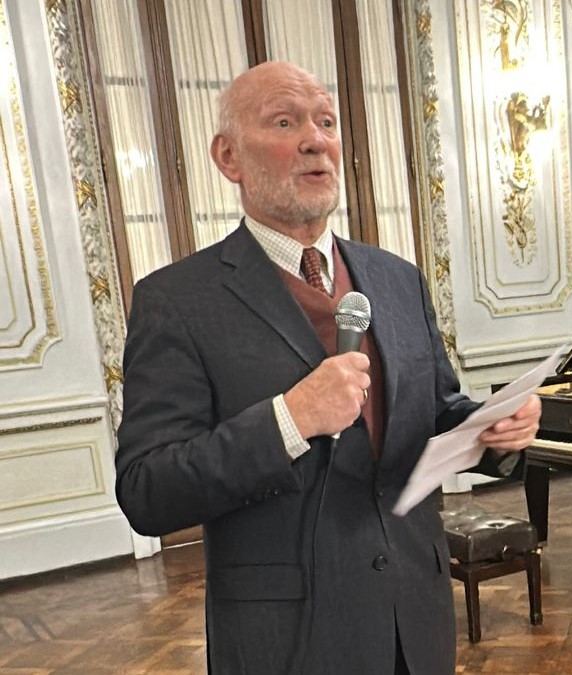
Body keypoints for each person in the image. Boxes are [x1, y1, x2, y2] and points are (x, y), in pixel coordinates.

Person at [114, 60, 542, 675]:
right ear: (229, 157)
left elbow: (435, 413)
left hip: (414, 619)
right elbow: (147, 491)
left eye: (326, 122)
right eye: (285, 122)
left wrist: (495, 430)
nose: (316, 140)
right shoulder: (177, 301)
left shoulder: (397, 279)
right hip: (285, 639)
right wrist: (289, 420)